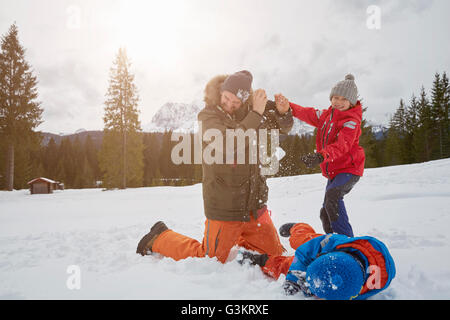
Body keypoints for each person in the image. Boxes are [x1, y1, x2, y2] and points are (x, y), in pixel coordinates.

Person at [136, 70, 294, 263]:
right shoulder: (208, 116)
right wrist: (256, 114)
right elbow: (228, 144)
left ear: (244, 101)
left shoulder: (255, 110)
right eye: (226, 98)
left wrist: (283, 112)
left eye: (236, 102)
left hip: (255, 205)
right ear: (221, 91)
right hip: (225, 205)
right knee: (210, 259)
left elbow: (282, 128)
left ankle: (240, 240)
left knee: (276, 256)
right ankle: (160, 237)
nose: (229, 104)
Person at [275, 74, 365, 237]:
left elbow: (342, 146)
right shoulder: (326, 116)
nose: (338, 102)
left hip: (349, 169)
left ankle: (346, 242)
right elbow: (307, 113)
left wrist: (320, 156)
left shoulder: (351, 121)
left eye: (343, 99)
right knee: (325, 212)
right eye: (335, 97)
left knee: (333, 197)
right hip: (334, 171)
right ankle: (332, 239)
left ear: (351, 102)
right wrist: (289, 107)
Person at [238, 222, 396, 300]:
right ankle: (298, 227)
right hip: (336, 249)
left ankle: (262, 260)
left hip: (340, 263)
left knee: (285, 265)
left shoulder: (364, 288)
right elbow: (303, 254)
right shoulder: (333, 242)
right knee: (301, 240)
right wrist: (293, 279)